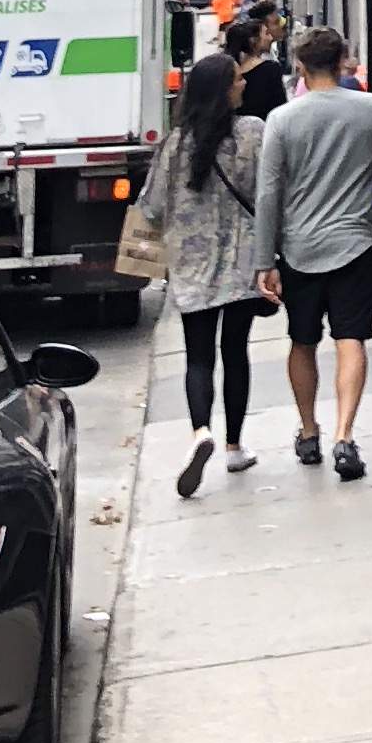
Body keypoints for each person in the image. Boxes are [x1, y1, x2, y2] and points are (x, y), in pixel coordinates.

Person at [253, 23, 372, 479]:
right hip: (355, 245)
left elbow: (268, 194)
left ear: (299, 66)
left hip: (298, 249)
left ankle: (308, 431)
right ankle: (344, 435)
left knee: (302, 341)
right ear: (343, 62)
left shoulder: (282, 119)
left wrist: (265, 260)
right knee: (350, 339)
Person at [139, 53, 264, 496]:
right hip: (243, 259)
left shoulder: (174, 145)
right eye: (237, 80)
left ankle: (199, 432)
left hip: (191, 265)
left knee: (198, 355)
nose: (243, 85)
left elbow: (152, 206)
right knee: (236, 350)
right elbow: (269, 193)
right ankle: (234, 446)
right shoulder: (252, 134)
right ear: (222, 90)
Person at [226, 7, 285, 122]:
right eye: (266, 34)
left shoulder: (229, 68)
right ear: (253, 41)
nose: (270, 38)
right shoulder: (270, 69)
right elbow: (280, 107)